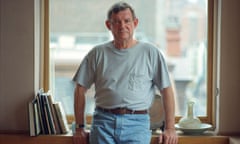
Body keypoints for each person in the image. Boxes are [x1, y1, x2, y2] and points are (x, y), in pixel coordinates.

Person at [73, 2, 178, 144]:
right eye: (116, 22)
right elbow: (80, 90)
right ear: (108, 25)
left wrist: (170, 128)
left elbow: (166, 90)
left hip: (137, 124)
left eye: (127, 21)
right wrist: (80, 127)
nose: (122, 26)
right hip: (103, 122)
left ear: (135, 23)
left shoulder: (150, 53)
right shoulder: (97, 53)